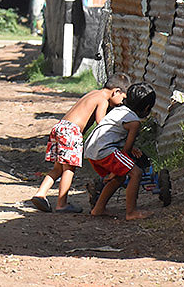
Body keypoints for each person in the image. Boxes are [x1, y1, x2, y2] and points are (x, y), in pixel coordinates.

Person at [31, 74, 130, 213]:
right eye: (122, 98)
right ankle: (62, 204)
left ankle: (40, 194)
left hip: (60, 127)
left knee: (58, 168)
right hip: (72, 132)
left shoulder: (93, 93)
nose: (120, 103)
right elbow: (101, 123)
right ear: (116, 91)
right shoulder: (103, 100)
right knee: (69, 169)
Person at [84, 82, 156, 220]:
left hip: (92, 149)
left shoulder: (119, 110)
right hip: (104, 150)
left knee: (120, 176)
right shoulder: (134, 122)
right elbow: (126, 151)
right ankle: (131, 212)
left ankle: (98, 209)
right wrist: (114, 170)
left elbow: (113, 133)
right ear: (146, 108)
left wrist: (117, 171)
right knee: (136, 173)